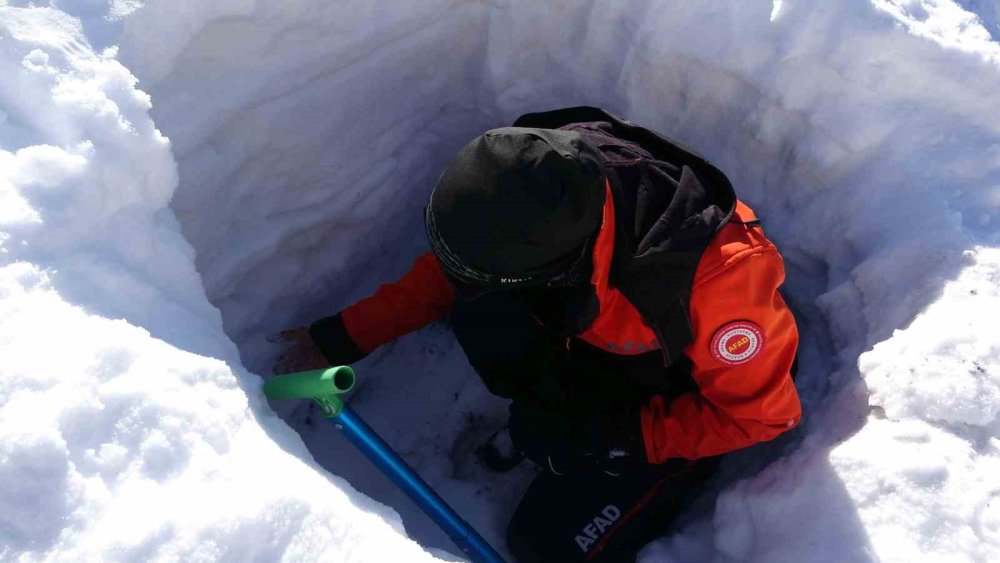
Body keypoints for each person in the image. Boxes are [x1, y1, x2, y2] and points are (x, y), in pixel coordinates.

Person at [273, 107, 801, 562]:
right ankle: (551, 427)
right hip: (599, 336)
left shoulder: (719, 286)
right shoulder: (532, 170)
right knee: (484, 316)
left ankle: (637, 471)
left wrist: (610, 436)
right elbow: (454, 271)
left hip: (689, 388)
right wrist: (340, 337)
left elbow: (761, 415)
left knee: (543, 543)